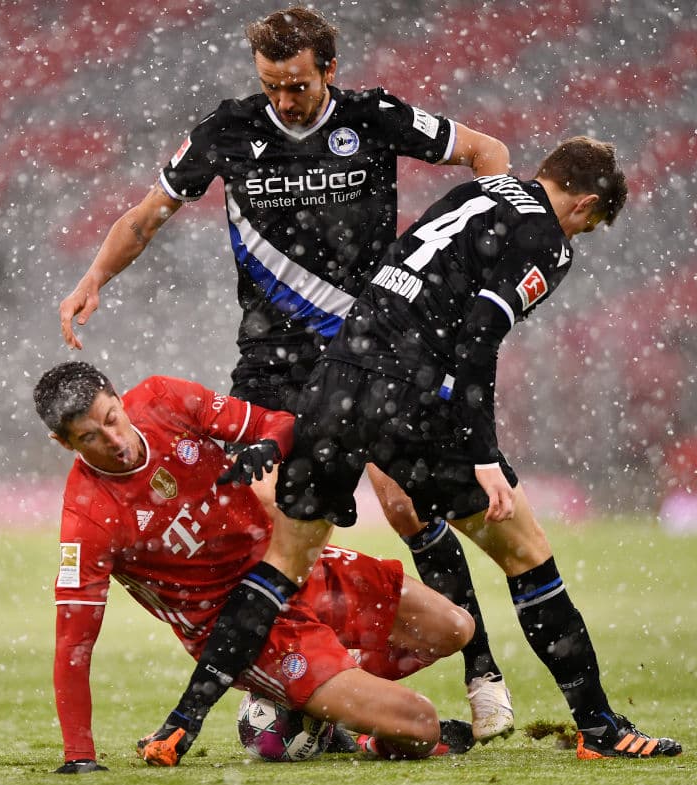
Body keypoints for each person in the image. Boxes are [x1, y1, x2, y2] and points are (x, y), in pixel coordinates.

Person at [58, 6, 516, 746]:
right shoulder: (228, 131)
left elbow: (487, 150)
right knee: (263, 515)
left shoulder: (375, 118)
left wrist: (487, 247)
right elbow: (148, 215)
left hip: (374, 346)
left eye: (297, 86)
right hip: (273, 360)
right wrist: (94, 277)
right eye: (272, 85)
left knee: (406, 505)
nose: (284, 100)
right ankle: (286, 686)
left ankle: (483, 670)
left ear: (328, 70)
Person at [273, 136, 684, 760]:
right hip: (410, 395)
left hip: (343, 376)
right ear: (587, 204)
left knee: (286, 566)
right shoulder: (548, 239)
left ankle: (237, 707)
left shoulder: (476, 192)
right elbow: (478, 339)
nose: (583, 236)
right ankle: (599, 727)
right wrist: (483, 452)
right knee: (527, 555)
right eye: (592, 225)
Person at [33, 361, 478, 772]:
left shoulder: (164, 398)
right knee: (421, 724)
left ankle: (316, 707)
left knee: (455, 628)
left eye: (111, 419)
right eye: (90, 437)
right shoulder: (87, 518)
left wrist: (267, 446)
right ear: (63, 443)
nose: (114, 441)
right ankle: (365, 735)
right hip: (248, 635)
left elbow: (279, 423)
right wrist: (80, 757)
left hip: (288, 567)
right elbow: (74, 645)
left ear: (118, 396)